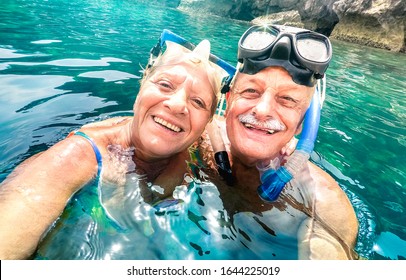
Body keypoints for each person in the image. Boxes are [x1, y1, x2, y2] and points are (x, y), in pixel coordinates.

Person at [0, 30, 235, 259]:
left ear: (208, 120)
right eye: (165, 85)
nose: (177, 104)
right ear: (143, 82)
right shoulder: (73, 159)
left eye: (197, 101)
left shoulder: (198, 145)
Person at [200, 24, 359, 259]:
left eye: (286, 99)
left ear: (302, 124)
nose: (263, 110)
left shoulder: (321, 205)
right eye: (251, 91)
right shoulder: (198, 137)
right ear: (229, 99)